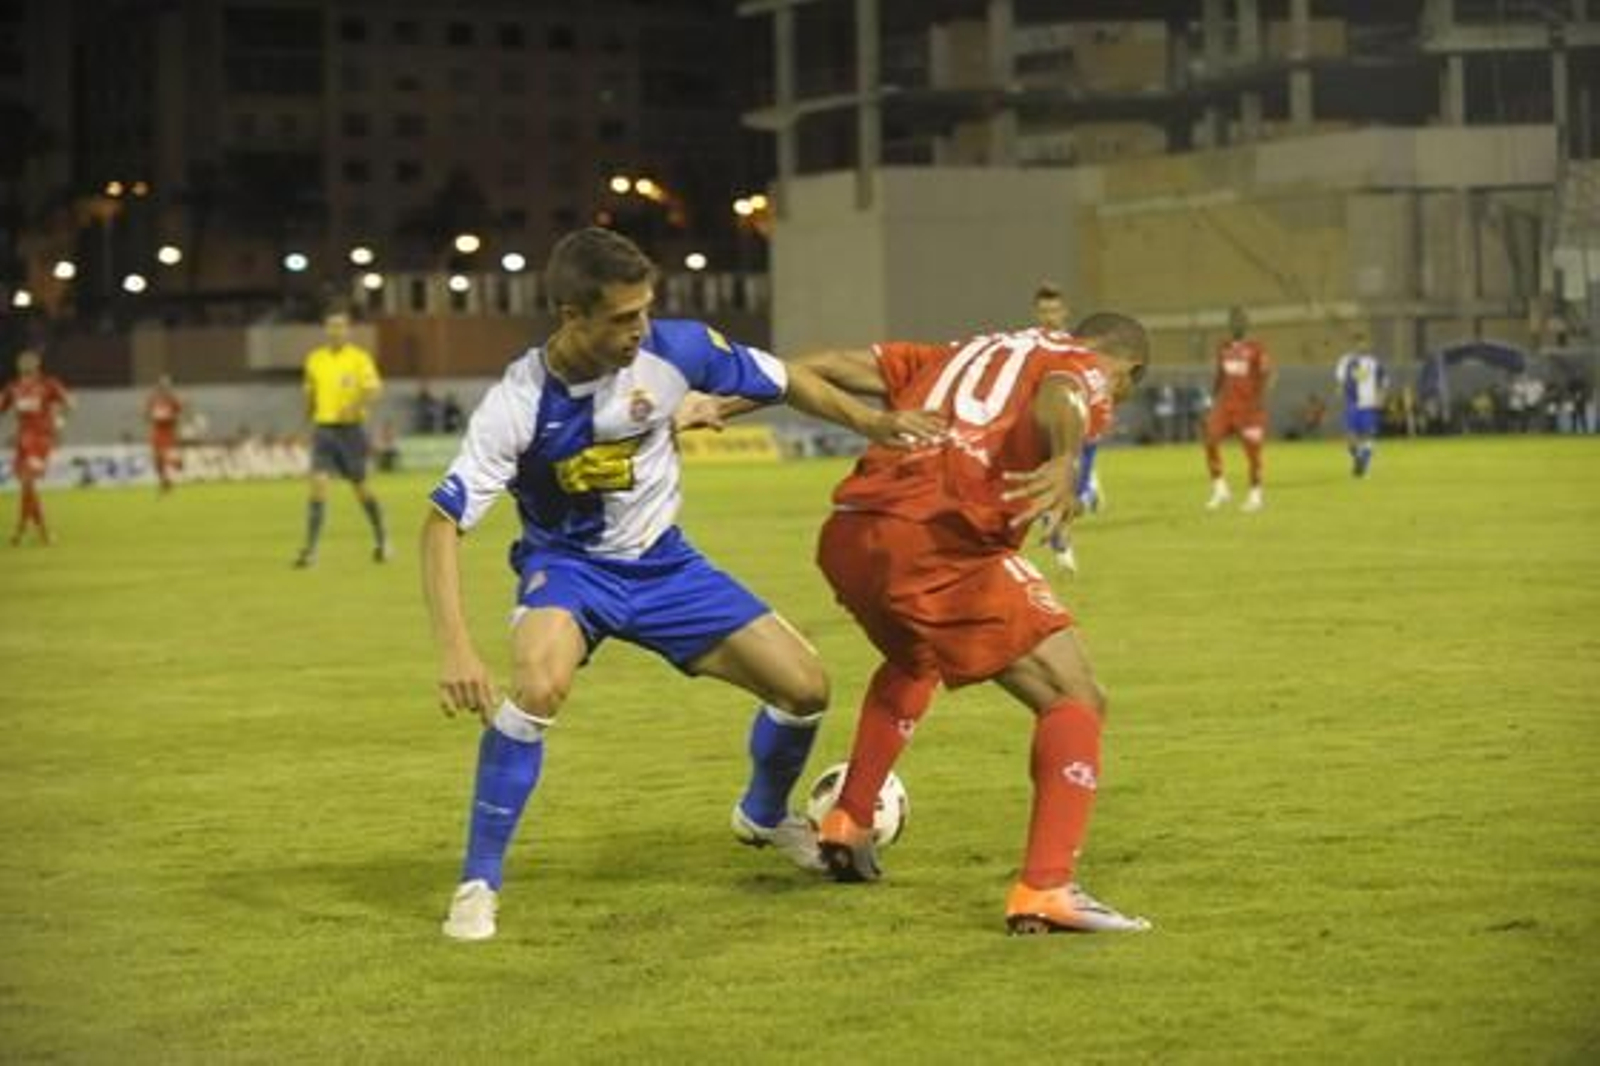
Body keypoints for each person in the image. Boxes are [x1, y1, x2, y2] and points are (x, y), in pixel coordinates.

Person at [421, 227, 942, 942]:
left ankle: (763, 816)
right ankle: (479, 883)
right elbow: (441, 525)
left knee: (805, 689)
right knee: (538, 687)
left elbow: (786, 380)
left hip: (668, 568)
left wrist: (873, 422)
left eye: (646, 310)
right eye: (623, 317)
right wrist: (456, 649)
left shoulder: (678, 347)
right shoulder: (518, 402)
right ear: (572, 317)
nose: (642, 328)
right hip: (571, 573)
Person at [699, 314, 1153, 934]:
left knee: (917, 658)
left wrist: (722, 400)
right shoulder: (1083, 363)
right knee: (1076, 697)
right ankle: (1048, 887)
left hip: (850, 535)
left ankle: (849, 819)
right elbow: (1062, 395)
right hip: (937, 543)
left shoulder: (954, 353)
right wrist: (1070, 456)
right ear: (1128, 372)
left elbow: (826, 364)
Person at [293, 310, 389, 567]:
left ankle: (382, 541)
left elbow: (375, 389)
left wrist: (356, 404)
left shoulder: (359, 359)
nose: (336, 331)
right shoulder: (315, 359)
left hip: (351, 430)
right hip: (324, 429)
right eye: (331, 326)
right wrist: (304, 427)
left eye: (340, 326)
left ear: (348, 330)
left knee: (361, 489)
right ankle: (310, 551)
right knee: (318, 485)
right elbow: (310, 396)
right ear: (326, 329)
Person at [1030, 283, 1099, 573]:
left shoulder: (1077, 349)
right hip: (1040, 430)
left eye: (1054, 310)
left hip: (1077, 434)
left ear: (1065, 312)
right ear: (1036, 313)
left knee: (1073, 495)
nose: (1049, 316)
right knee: (1053, 496)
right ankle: (1062, 547)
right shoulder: (1028, 348)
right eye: (1044, 311)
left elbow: (1092, 387)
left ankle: (1088, 489)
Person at [1203, 306, 1273, 511]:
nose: (1237, 324)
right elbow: (1220, 376)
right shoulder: (1223, 347)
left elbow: (1266, 375)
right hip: (1225, 406)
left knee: (1253, 454)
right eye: (1233, 321)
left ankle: (1255, 495)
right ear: (1229, 325)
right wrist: (1211, 400)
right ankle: (1220, 488)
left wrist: (1258, 401)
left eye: (1240, 321)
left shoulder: (1257, 348)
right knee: (1210, 440)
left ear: (1246, 324)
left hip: (1249, 409)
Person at [1, 349, 73, 546]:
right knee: (26, 485)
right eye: (23, 360)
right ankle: (30, 532)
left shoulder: (48, 385)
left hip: (40, 440)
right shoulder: (13, 388)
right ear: (18, 365)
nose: (26, 363)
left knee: (28, 482)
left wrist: (59, 423)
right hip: (22, 442)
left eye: (30, 360)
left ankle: (31, 531)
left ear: (38, 364)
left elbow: (70, 403)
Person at [1334, 340, 1388, 477]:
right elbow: (1340, 379)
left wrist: (1381, 397)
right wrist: (1340, 388)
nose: (1362, 347)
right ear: (1354, 345)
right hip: (1352, 403)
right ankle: (1359, 457)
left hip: (1369, 404)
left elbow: (1384, 381)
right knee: (1350, 437)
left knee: (1368, 435)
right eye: (1359, 344)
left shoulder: (1374, 362)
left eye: (1365, 344)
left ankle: (1363, 464)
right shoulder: (1346, 361)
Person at [145, 374, 184, 493]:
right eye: (163, 385)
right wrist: (153, 416)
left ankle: (176, 463)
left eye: (167, 385)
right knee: (156, 460)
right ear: (159, 386)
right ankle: (165, 482)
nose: (165, 387)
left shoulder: (173, 399)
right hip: (156, 431)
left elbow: (179, 414)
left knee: (162, 455)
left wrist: (170, 417)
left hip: (168, 431)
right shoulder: (153, 399)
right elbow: (147, 415)